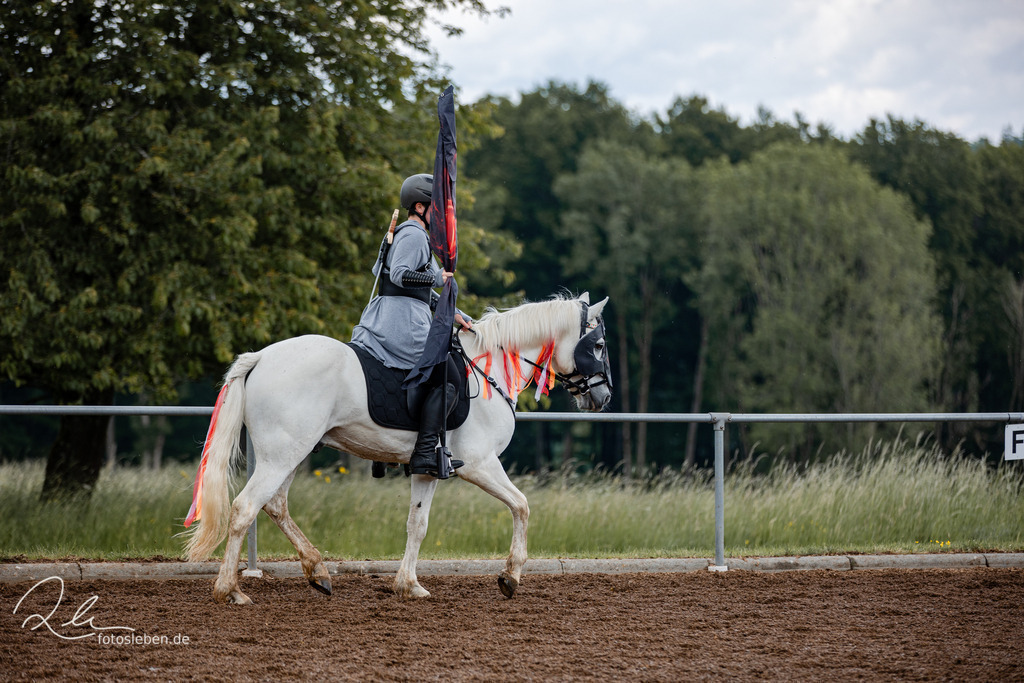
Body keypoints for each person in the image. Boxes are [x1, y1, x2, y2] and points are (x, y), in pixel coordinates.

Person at [351, 173, 472, 478]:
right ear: (420, 207)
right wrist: (437, 278)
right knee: (449, 378)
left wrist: (452, 311)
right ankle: (423, 453)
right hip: (401, 322)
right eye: (438, 211)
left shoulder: (413, 234)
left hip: (403, 311)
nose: (443, 220)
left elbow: (415, 289)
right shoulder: (414, 235)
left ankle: (387, 444)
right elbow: (399, 275)